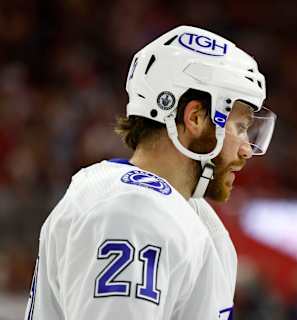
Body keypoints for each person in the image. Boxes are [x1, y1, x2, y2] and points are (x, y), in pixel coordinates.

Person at [24, 25, 276, 320]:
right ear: (195, 118)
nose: (247, 148)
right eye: (241, 127)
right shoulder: (133, 214)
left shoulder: (183, 209)